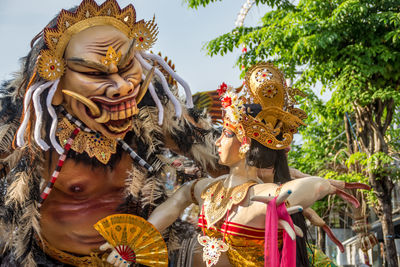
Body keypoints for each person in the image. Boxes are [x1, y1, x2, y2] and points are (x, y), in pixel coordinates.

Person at [0, 0, 219, 265]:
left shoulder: (152, 105)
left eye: (127, 65)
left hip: (146, 254)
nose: (123, 86)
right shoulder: (29, 118)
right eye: (95, 72)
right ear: (55, 82)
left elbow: (221, 155)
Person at [144, 62, 369, 267]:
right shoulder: (210, 188)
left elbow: (312, 188)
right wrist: (140, 240)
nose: (218, 140)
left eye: (227, 134)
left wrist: (319, 185)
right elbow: (179, 199)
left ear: (245, 143)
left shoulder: (258, 195)